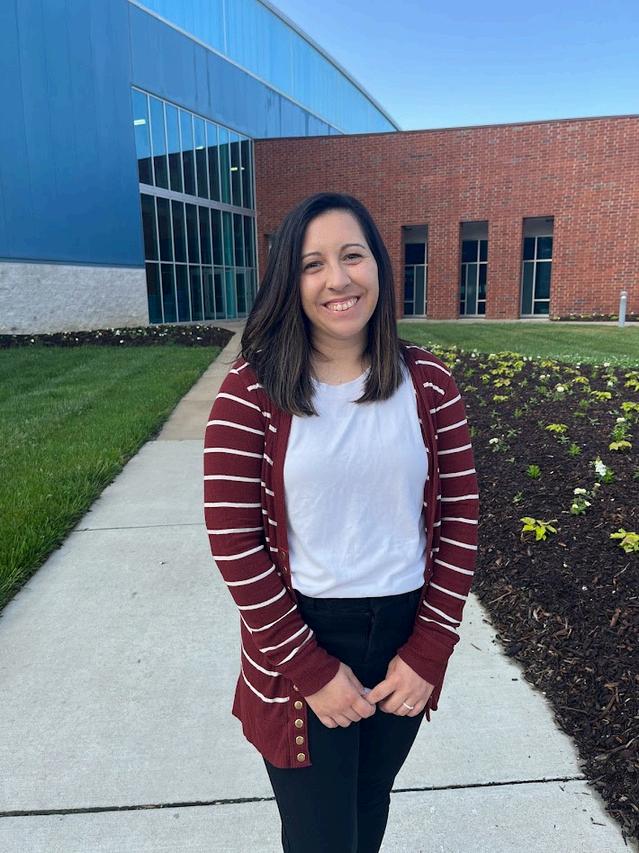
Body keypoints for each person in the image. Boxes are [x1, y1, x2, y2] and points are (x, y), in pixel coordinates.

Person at [203, 192, 479, 852]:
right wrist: (309, 668)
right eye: (312, 264)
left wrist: (428, 650)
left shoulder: (428, 383)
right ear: (289, 283)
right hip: (301, 636)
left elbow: (460, 518)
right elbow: (234, 541)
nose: (337, 279)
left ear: (378, 265)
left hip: (404, 636)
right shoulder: (251, 390)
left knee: (367, 808)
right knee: (321, 836)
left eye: (352, 256)